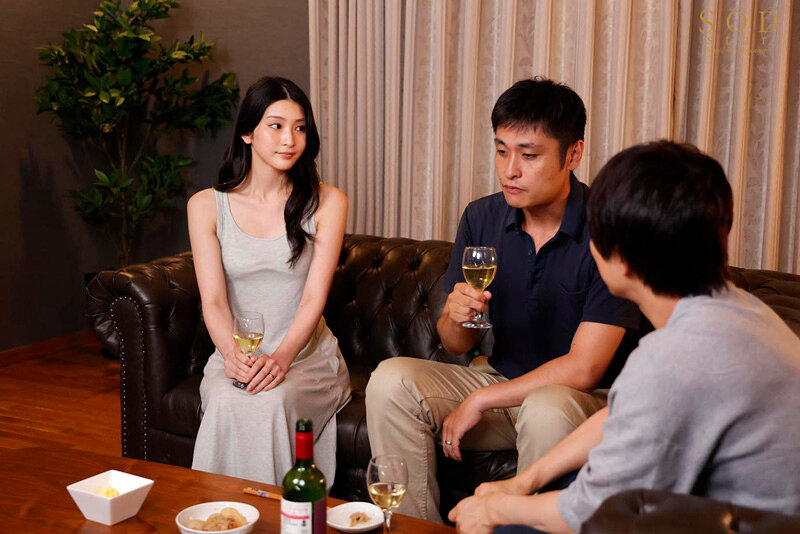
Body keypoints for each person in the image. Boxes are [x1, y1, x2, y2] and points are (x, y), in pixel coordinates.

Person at [449, 141, 800, 534]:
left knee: (510, 526)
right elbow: (619, 416)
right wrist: (523, 482)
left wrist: (496, 511)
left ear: (622, 259)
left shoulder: (675, 356)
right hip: (738, 516)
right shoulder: (741, 309)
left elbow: (596, 510)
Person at [365, 78, 641, 523]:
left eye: (528, 156)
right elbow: (456, 343)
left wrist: (481, 400)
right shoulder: (482, 217)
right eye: (501, 151)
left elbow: (585, 369)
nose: (510, 170)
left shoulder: (610, 230)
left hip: (580, 401)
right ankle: (414, 528)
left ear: (573, 154)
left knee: (546, 407)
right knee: (390, 381)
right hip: (498, 381)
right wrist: (456, 316)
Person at [187, 76, 351, 486]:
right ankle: (217, 515)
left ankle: (279, 516)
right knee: (224, 400)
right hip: (237, 355)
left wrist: (280, 360)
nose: (289, 139)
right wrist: (232, 356)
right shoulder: (205, 206)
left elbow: (313, 299)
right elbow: (214, 301)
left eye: (299, 128)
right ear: (247, 132)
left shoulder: (329, 202)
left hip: (304, 358)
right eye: (275, 126)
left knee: (271, 401)